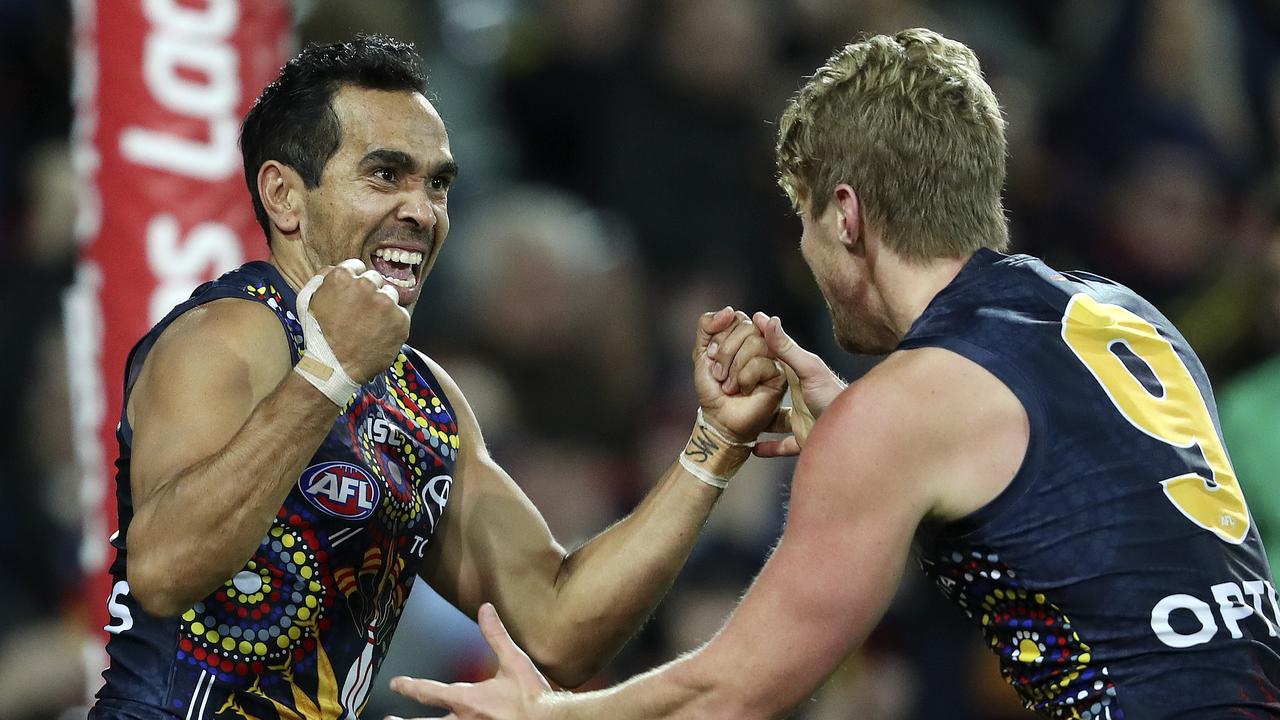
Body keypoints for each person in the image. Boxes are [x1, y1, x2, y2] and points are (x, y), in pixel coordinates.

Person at [391, 28, 1280, 719]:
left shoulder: (909, 409)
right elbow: (1082, 514)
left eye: (804, 221)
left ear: (846, 214)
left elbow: (736, 693)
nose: (806, 254)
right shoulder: (1125, 314)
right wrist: (866, 424)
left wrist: (551, 713)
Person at [89, 35, 788, 720]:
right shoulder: (224, 337)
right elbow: (163, 571)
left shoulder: (420, 397)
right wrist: (329, 373)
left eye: (437, 183)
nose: (422, 212)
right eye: (385, 174)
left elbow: (557, 627)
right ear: (285, 197)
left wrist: (714, 443)